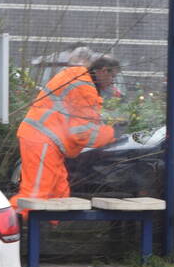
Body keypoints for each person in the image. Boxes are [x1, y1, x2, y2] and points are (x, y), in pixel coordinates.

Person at [11, 55, 121, 212]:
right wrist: (112, 132)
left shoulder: (77, 78)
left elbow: (78, 122)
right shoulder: (84, 88)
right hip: (42, 140)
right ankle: (8, 223)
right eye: (113, 77)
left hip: (46, 140)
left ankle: (43, 225)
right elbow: (82, 133)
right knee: (35, 196)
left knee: (58, 194)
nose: (112, 82)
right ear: (104, 71)